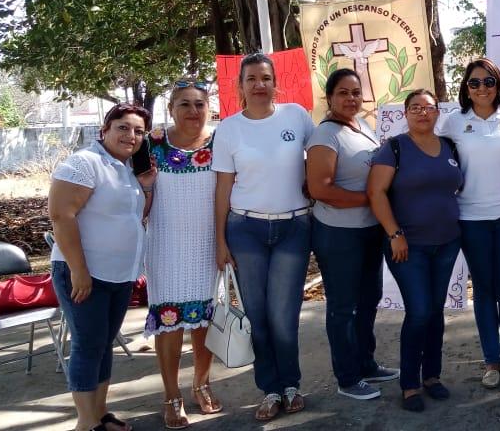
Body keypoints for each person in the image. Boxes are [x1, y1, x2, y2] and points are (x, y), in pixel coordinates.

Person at [212, 53, 315, 421]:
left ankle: (291, 384)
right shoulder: (228, 129)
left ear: (275, 83)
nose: (259, 85)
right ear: (240, 86)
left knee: (284, 316)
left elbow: (318, 161)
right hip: (246, 230)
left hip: (293, 227)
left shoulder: (297, 117)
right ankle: (269, 389)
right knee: (257, 314)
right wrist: (220, 240)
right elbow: (223, 187)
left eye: (266, 78)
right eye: (252, 79)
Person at [48, 103, 156, 431]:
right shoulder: (85, 163)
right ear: (105, 130)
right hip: (84, 273)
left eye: (138, 131)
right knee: (88, 343)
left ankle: (100, 414)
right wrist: (79, 271)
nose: (131, 135)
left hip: (118, 274)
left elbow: (134, 214)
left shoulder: (124, 168)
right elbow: (60, 215)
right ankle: (85, 424)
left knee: (103, 343)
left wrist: (147, 185)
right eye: (123, 127)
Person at [367, 89, 464, 412]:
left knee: (435, 311)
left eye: (429, 108)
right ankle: (409, 383)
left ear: (438, 113)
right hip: (408, 247)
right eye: (415, 108)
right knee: (420, 311)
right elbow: (377, 193)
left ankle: (432, 376)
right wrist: (395, 234)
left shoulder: (449, 147)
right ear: (405, 114)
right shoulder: (393, 148)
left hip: (447, 242)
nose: (423, 113)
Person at [306, 68, 399, 401]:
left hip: (369, 231)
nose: (351, 99)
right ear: (329, 98)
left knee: (368, 300)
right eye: (343, 93)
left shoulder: (363, 127)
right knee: (343, 307)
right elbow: (320, 188)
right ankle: (347, 377)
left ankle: (366, 363)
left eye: (356, 92)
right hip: (338, 235)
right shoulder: (325, 136)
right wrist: (373, 199)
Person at [439, 58, 500, 388]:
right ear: (466, 87)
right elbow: (435, 158)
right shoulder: (453, 121)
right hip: (471, 218)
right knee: (485, 290)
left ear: (499, 85)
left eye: (488, 82)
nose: (481, 88)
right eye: (474, 83)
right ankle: (492, 361)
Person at [144, 80, 220, 429]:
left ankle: (201, 384)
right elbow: (137, 195)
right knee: (170, 322)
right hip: (165, 246)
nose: (193, 111)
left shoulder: (222, 142)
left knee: (205, 321)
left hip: (209, 245)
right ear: (171, 108)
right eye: (184, 104)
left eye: (200, 104)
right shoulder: (151, 144)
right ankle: (171, 396)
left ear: (209, 107)